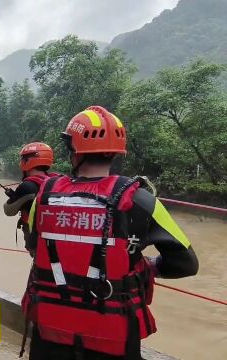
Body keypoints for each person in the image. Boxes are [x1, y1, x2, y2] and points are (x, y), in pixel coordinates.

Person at [21, 106, 199, 360]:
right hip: (113, 337)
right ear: (116, 152)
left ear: (74, 152)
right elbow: (186, 263)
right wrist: (149, 266)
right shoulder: (141, 199)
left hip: (50, 334)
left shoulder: (44, 196)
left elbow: (34, 249)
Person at [3, 142, 59, 254]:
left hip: (38, 243)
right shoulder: (58, 181)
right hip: (58, 241)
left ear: (27, 161)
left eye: (23, 158)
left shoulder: (27, 186)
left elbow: (9, 210)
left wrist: (14, 197)